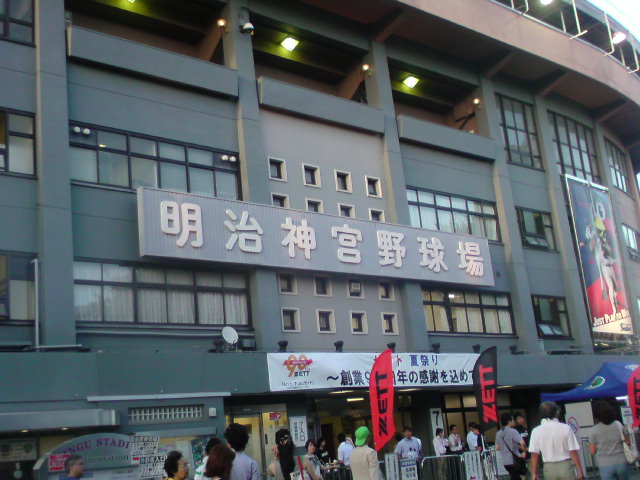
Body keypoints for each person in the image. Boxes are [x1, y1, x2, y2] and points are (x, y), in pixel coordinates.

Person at [529, 401, 584, 480]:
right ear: (556, 412)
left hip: (549, 467)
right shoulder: (566, 428)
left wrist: (534, 473)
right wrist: (579, 470)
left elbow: (534, 454)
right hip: (566, 466)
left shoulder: (536, 431)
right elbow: (573, 451)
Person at [589, 400, 630, 480]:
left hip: (605, 464)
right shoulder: (618, 424)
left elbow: (592, 451)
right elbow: (628, 442)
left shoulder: (594, 430)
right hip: (621, 461)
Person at [495, 413, 527, 480]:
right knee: (518, 476)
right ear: (509, 421)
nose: (513, 421)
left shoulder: (498, 433)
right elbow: (522, 443)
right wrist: (524, 452)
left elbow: (497, 447)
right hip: (515, 460)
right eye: (512, 419)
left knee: (513, 476)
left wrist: (505, 448)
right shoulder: (513, 431)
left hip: (505, 462)